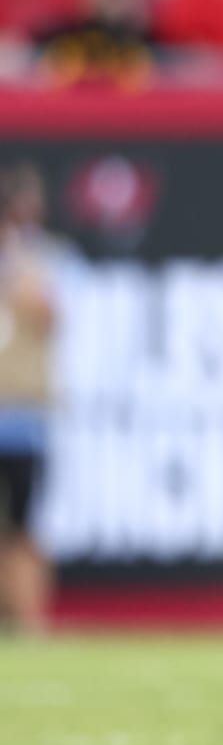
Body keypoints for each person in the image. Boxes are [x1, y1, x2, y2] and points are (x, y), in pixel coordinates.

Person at [0, 163, 59, 634]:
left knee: (24, 521)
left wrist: (18, 265)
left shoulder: (37, 260)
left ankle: (27, 617)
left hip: (22, 412)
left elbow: (50, 314)